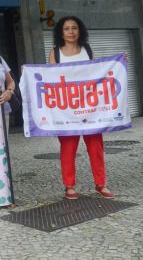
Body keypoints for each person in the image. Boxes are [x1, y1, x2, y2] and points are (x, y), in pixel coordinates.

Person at [48, 16, 113, 200]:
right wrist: (30, 72)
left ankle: (101, 184)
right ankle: (69, 186)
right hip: (67, 109)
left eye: (74, 28)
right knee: (68, 148)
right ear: (61, 32)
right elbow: (50, 78)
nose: (71, 31)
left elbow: (99, 72)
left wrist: (117, 63)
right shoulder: (55, 53)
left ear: (80, 30)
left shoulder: (87, 50)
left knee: (96, 146)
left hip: (90, 108)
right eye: (67, 28)